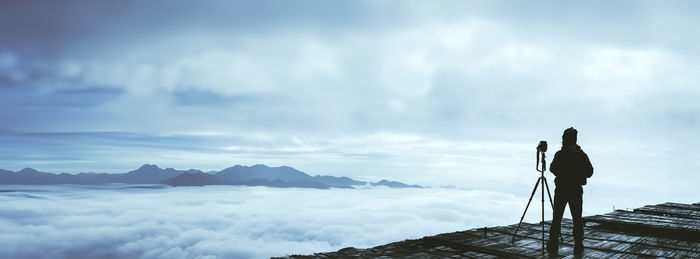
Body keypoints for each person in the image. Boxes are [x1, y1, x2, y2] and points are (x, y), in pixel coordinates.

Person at [546, 127, 593, 255]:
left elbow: (552, 168)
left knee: (557, 217)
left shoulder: (560, 154)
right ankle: (578, 243)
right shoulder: (582, 155)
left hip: (561, 189)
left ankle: (553, 242)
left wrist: (564, 172)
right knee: (577, 218)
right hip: (575, 190)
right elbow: (590, 172)